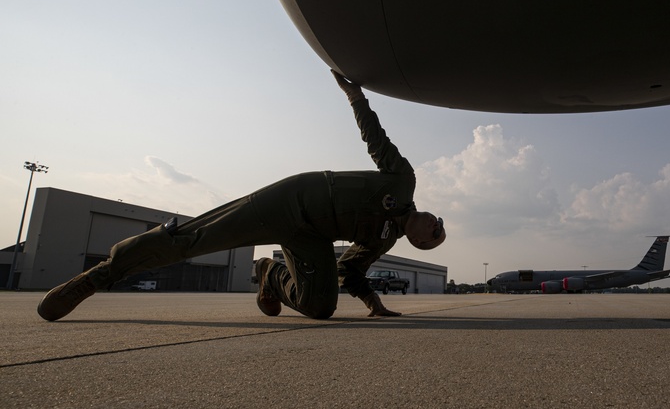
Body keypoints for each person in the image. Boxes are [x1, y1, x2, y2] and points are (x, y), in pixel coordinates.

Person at [37, 72, 445, 322]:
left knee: (322, 308)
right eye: (438, 224)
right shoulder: (402, 181)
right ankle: (99, 276)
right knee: (196, 239)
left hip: (309, 239)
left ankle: (270, 273)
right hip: (289, 201)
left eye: (434, 237)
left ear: (417, 243)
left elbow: (350, 271)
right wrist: (357, 99)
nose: (435, 226)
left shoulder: (383, 240)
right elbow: (377, 141)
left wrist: (374, 303)